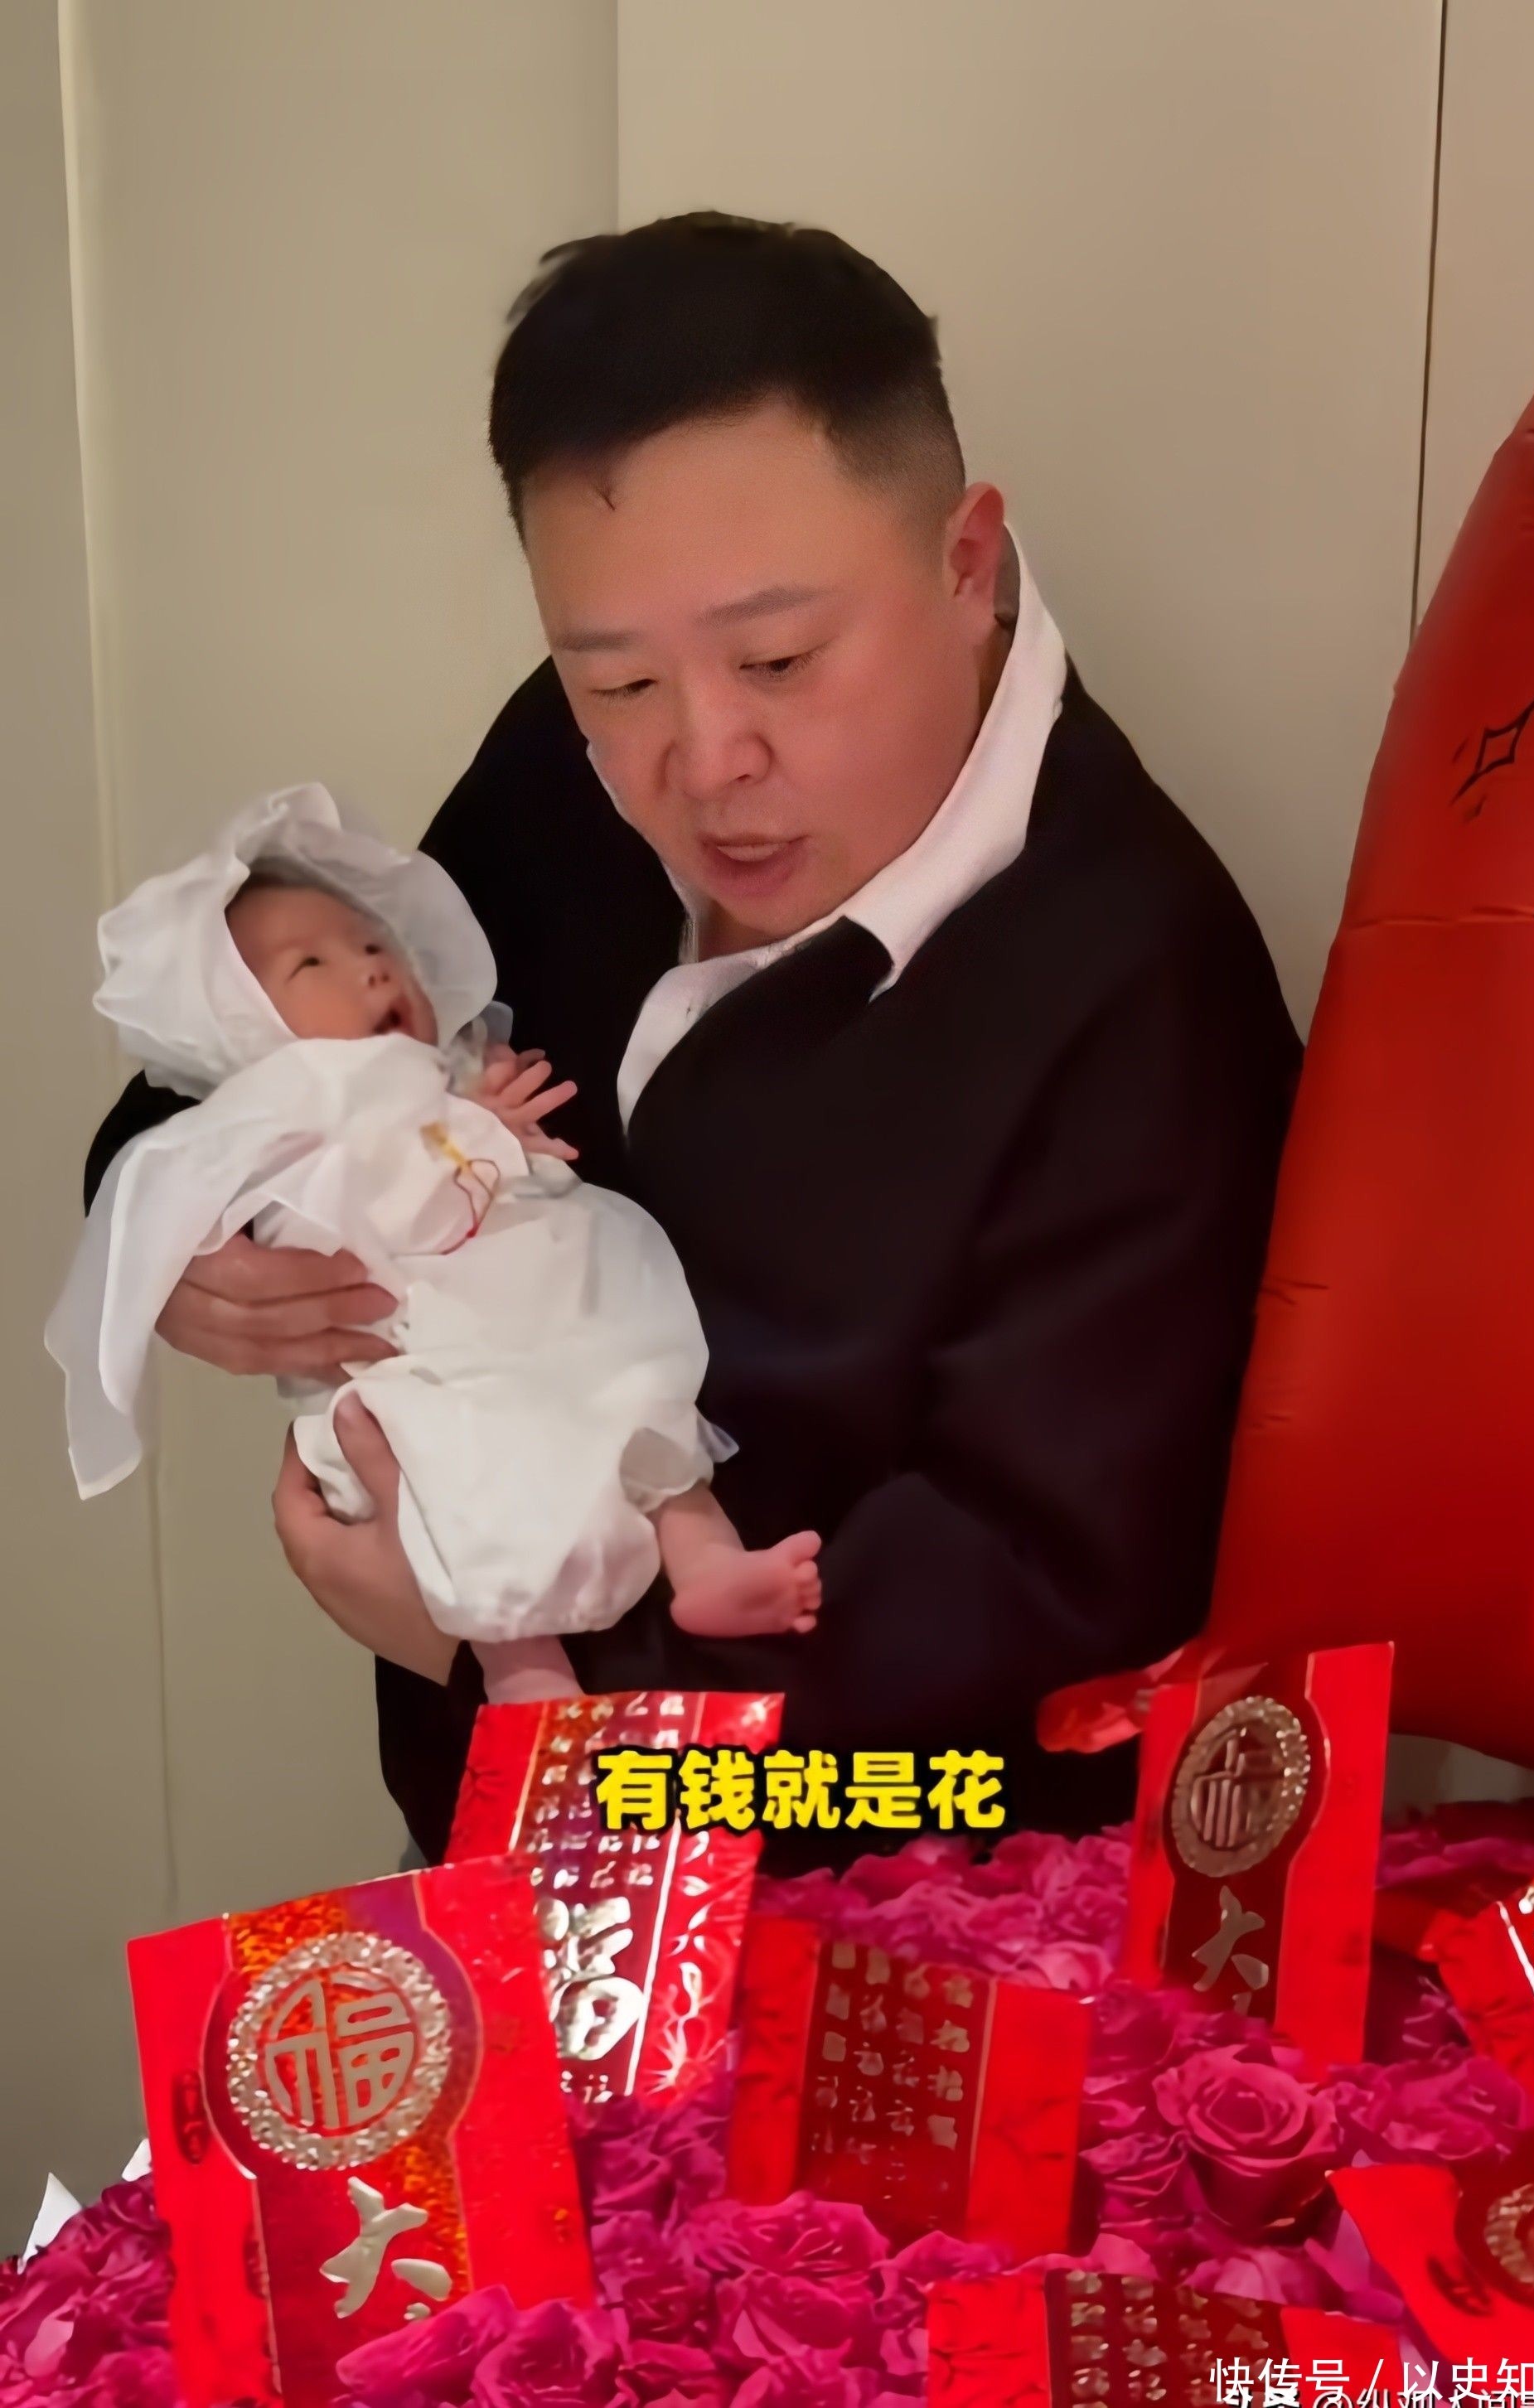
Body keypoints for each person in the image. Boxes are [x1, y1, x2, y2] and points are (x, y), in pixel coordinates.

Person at [85, 213, 1300, 1866]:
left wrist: (509, 1678)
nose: (705, 759)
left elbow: (1016, 1663)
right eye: (616, 682)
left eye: (779, 660)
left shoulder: (1138, 989)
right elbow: (308, 1021)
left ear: (964, 561)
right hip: (500, 1862)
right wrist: (174, 1225)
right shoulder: (574, 760)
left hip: (888, 1906)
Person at [54, 786, 821, 1704]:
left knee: (643, 1408)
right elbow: (384, 1204)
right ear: (240, 1024)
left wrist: (484, 1104)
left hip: (546, 1324)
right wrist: (477, 1131)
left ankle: (709, 1566)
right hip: (438, 1368)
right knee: (475, 1494)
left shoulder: (433, 1069)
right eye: (312, 964)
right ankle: (519, 1667)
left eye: (375, 944)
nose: (372, 970)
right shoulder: (292, 1118)